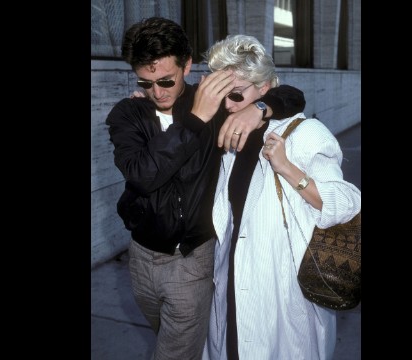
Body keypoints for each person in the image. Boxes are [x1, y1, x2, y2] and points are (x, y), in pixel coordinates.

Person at [105, 17, 306, 360]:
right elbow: (141, 175)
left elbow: (290, 94)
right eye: (146, 82)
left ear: (187, 65)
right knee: (172, 341)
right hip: (141, 258)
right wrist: (193, 121)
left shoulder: (213, 103)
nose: (158, 92)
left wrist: (258, 108)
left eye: (166, 80)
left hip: (191, 260)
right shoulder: (129, 113)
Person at [202, 35, 362, 360]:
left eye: (236, 94)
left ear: (265, 88)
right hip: (232, 277)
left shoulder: (305, 134)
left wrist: (288, 168)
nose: (228, 105)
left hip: (282, 285)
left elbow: (347, 202)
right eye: (222, 95)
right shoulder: (229, 134)